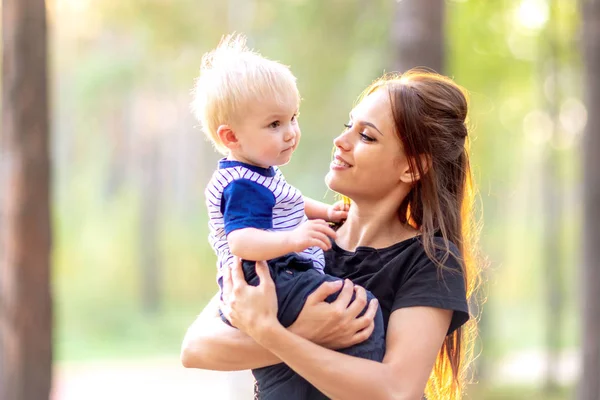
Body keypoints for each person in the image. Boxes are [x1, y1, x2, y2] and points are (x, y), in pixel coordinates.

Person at [182, 68, 482, 400]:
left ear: (411, 167)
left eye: (366, 136)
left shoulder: (429, 260)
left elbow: (397, 389)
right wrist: (304, 333)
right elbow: (196, 348)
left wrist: (274, 334)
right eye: (347, 127)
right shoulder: (296, 237)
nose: (341, 142)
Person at [192, 34, 386, 399]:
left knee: (285, 369)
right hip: (268, 275)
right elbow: (242, 240)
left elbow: (293, 201)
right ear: (231, 136)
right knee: (360, 313)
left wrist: (327, 211)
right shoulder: (242, 186)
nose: (291, 133)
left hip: (276, 273)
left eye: (293, 118)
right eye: (274, 124)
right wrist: (294, 239)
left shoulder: (260, 171)